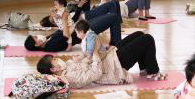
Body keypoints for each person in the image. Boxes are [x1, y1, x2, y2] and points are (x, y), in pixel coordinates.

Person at [37, 30, 167, 81]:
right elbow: (96, 73)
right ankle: (153, 71)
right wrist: (94, 52)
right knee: (147, 39)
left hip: (108, 58)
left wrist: (87, 54)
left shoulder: (68, 65)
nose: (58, 59)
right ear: (54, 69)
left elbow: (86, 60)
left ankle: (145, 69)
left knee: (139, 34)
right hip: (113, 68)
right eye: (54, 60)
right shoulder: (70, 77)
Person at [25, 0, 122, 52]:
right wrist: (64, 18)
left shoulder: (47, 39)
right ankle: (116, 44)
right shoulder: (50, 46)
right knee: (114, 17)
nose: (38, 36)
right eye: (36, 38)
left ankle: (116, 33)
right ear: (37, 44)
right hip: (83, 30)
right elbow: (66, 36)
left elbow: (64, 27)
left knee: (114, 3)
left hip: (80, 22)